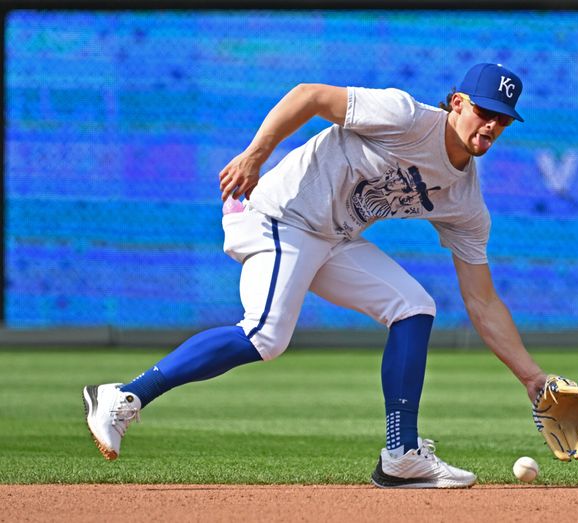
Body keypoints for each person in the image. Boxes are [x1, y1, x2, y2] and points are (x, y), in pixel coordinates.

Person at [83, 63, 548, 489]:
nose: (491, 124)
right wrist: (255, 154)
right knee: (266, 336)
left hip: (332, 237)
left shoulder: (465, 202)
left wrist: (532, 377)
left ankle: (401, 455)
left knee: (414, 307)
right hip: (283, 215)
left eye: (503, 119)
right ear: (459, 103)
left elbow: (483, 302)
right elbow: (309, 95)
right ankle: (124, 396)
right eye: (485, 111)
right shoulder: (407, 117)